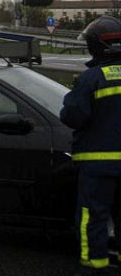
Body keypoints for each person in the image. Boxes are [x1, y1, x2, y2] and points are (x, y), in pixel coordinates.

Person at [60, 16, 121, 275]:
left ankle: (95, 266)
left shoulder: (92, 78)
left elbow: (74, 116)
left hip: (99, 163)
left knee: (92, 216)